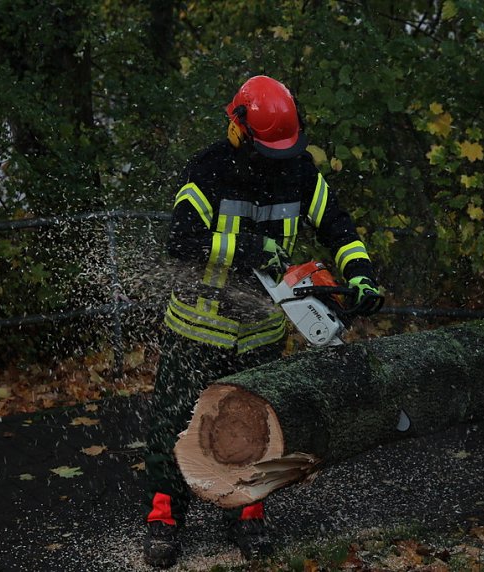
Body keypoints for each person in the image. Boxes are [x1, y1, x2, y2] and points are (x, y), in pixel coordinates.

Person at [142, 75, 384, 568]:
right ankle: (164, 517)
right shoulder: (208, 170)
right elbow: (182, 240)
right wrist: (249, 249)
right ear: (239, 130)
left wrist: (360, 275)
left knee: (257, 432)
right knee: (175, 423)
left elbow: (339, 226)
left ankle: (248, 515)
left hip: (262, 331)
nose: (276, 160)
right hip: (197, 325)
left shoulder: (300, 172)